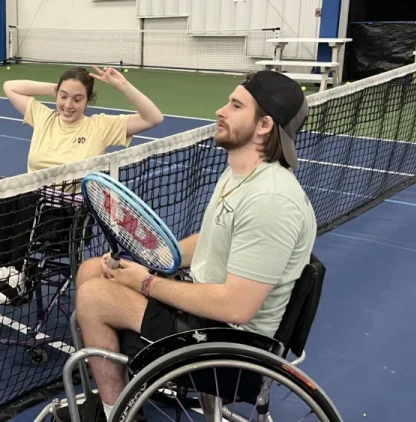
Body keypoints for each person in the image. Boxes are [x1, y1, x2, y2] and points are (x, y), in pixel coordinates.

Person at [54, 71, 317, 421]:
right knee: (93, 270)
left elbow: (237, 308)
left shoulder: (270, 200)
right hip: (206, 307)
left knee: (94, 297)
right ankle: (114, 399)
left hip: (231, 343)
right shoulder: (242, 173)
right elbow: (210, 240)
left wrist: (146, 282)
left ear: (264, 124)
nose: (220, 110)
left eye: (235, 105)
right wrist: (152, 260)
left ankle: (115, 413)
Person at [0, 66, 165, 305]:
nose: (68, 105)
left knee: (27, 196)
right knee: (2, 194)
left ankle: (15, 274)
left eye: (77, 99)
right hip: (27, 204)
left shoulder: (100, 126)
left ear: (88, 101)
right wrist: (57, 88)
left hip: (66, 216)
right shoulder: (44, 117)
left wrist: (122, 86)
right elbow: (10, 86)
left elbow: (154, 118)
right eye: (63, 97)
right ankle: (5, 270)